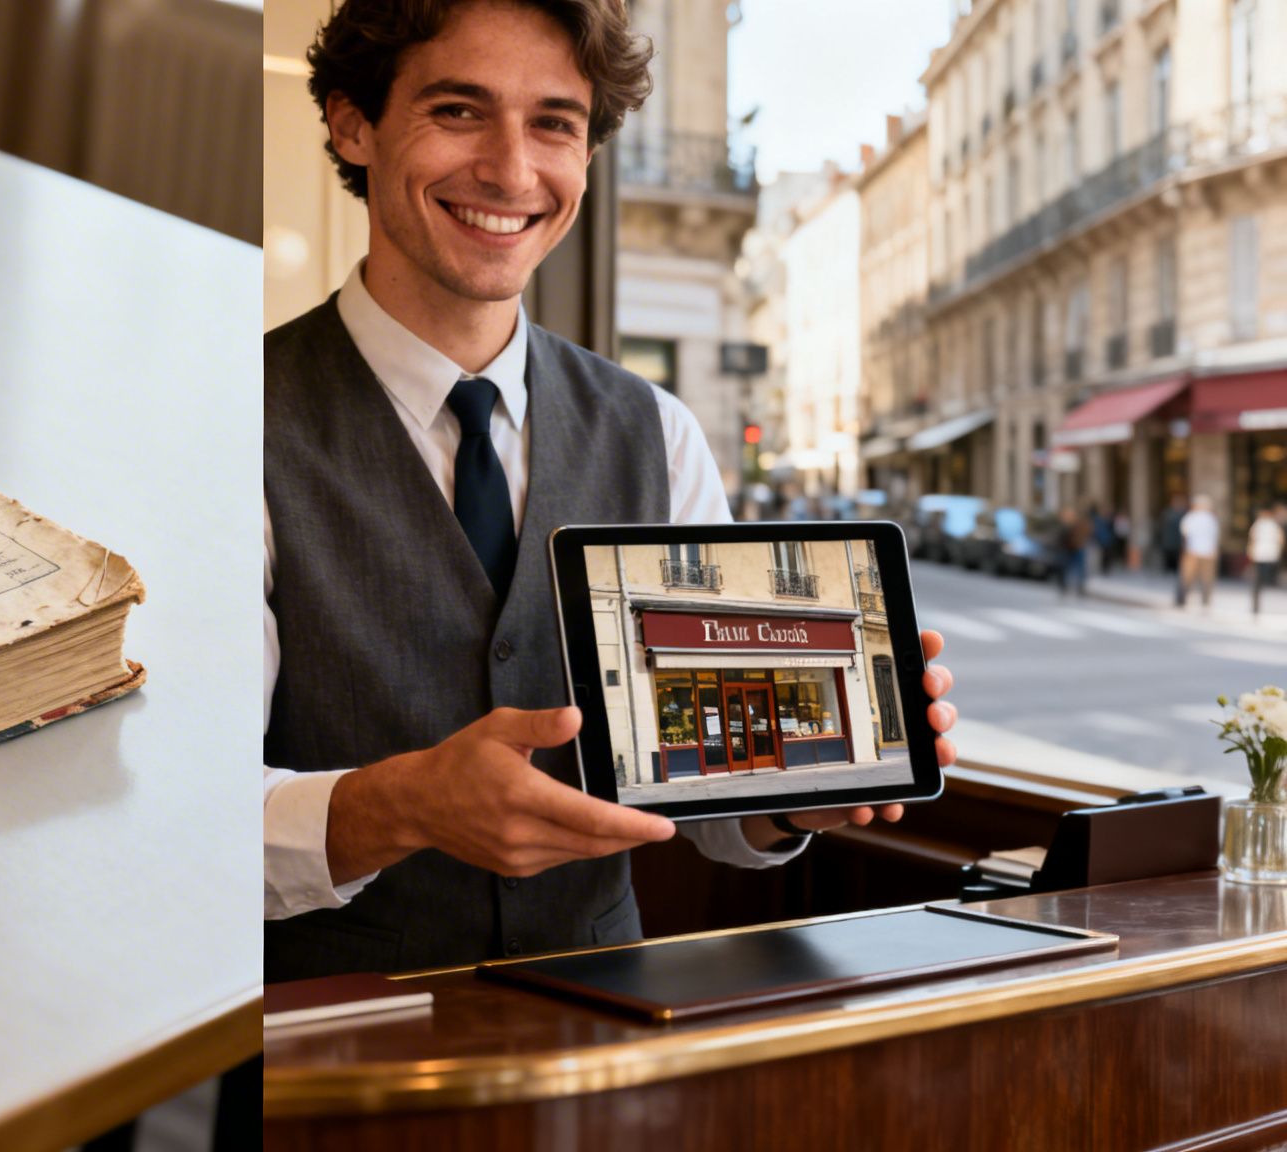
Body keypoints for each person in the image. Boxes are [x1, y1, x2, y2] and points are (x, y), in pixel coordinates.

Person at [262, 0, 958, 981]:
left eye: (554, 123)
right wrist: (401, 807)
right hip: (320, 1051)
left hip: (597, 1039)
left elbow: (709, 804)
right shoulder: (230, 423)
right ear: (352, 124)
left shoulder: (658, 431)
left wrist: (791, 797)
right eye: (458, 111)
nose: (512, 171)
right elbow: (172, 822)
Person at [1176, 494, 1221, 608]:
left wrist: (1185, 549)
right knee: (1206, 577)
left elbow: (1185, 534)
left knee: (1187, 577)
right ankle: (1205, 600)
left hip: (1193, 551)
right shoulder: (1211, 519)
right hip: (1207, 552)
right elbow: (1215, 536)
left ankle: (1183, 599)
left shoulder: (1192, 517)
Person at [1250, 504, 1284, 616]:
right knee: (1260, 579)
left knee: (1260, 579)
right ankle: (1256, 604)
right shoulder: (1267, 524)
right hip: (1264, 554)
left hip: (1264, 554)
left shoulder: (1266, 524)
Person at [1159, 497, 1188, 574]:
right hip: (1169, 539)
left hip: (1177, 539)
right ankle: (1168, 570)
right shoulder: (1167, 513)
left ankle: (1176, 569)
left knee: (1177, 556)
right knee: (1168, 556)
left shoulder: (1184, 513)